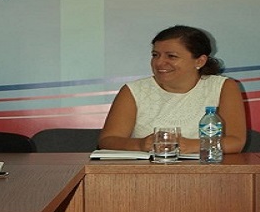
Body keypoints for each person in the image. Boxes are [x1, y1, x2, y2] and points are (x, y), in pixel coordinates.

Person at [99, 25, 247, 154]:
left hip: (207, 171)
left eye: (171, 56)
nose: (159, 62)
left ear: (200, 61)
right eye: (155, 55)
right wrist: (141, 144)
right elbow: (107, 140)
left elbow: (235, 142)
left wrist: (191, 145)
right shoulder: (133, 90)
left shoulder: (223, 87)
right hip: (145, 172)